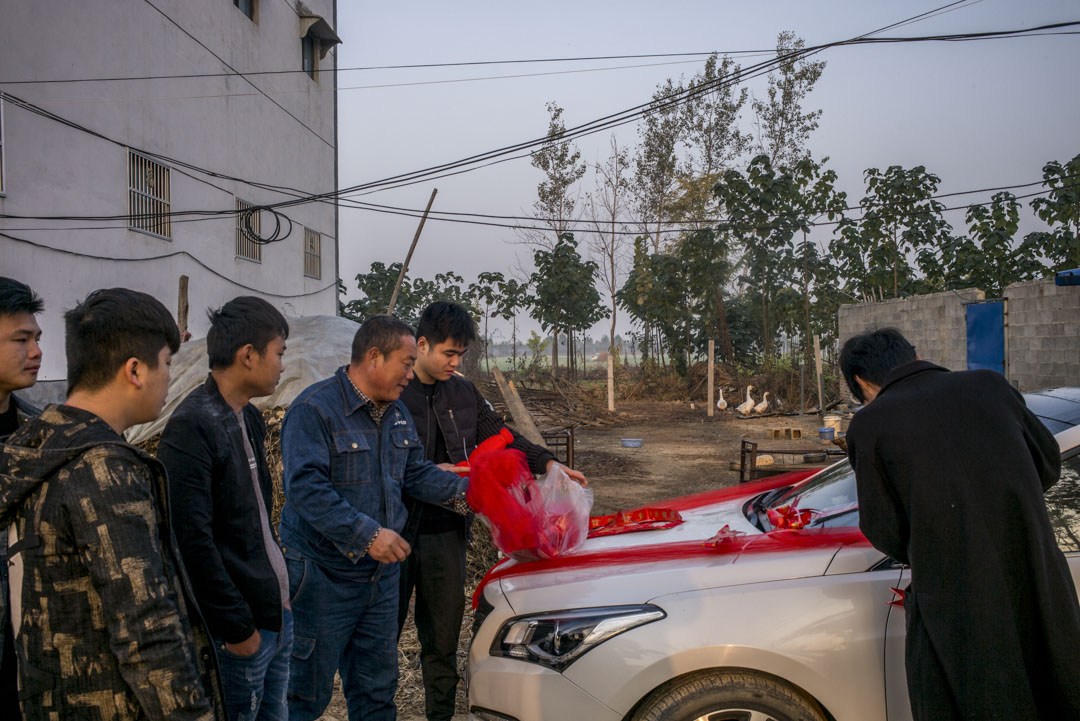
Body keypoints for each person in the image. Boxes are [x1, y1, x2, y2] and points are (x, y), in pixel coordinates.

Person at [0, 288, 225, 719]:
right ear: (135, 370)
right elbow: (147, 629)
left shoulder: (42, 446)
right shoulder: (104, 469)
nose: (169, 380)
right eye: (168, 364)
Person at [840, 328, 1080, 721]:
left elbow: (884, 528)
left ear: (862, 382)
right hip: (1036, 573)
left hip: (954, 597)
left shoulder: (870, 424)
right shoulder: (991, 386)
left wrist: (941, 536)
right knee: (1054, 681)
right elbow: (1047, 464)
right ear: (914, 354)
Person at [397, 300, 585, 721]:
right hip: (393, 529)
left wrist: (548, 463)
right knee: (379, 636)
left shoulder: (462, 392)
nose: (455, 361)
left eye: (461, 353)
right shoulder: (395, 390)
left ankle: (440, 715)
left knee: (442, 638)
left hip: (446, 529)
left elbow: (501, 434)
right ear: (422, 345)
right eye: (448, 352)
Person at [278, 314, 472, 721]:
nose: (409, 373)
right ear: (373, 357)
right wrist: (366, 535)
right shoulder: (314, 410)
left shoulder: (397, 412)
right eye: (405, 362)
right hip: (322, 576)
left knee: (376, 691)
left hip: (379, 580)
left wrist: (475, 496)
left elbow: (416, 473)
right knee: (303, 694)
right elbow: (306, 490)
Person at [159, 297, 292, 721]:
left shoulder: (247, 417)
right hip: (240, 632)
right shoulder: (192, 425)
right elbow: (189, 538)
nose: (283, 366)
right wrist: (237, 628)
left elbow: (255, 521)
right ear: (248, 355)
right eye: (279, 354)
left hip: (273, 615)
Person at [0, 277, 44, 715]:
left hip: (29, 668)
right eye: (21, 340)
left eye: (37, 338)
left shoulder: (39, 435)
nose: (36, 352)